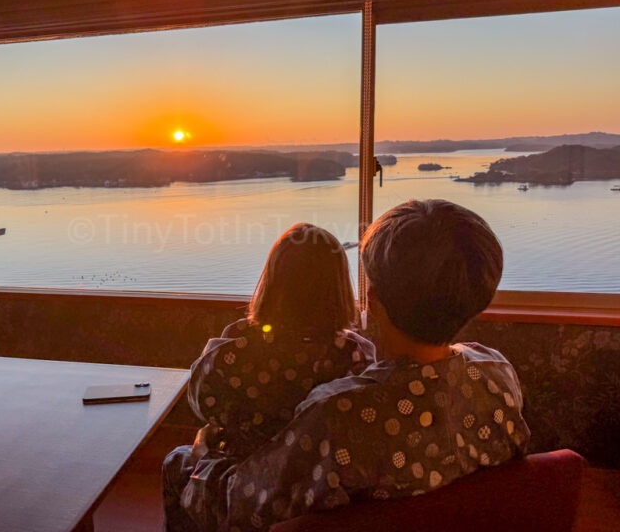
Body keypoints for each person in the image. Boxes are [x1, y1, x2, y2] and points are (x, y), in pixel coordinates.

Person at [164, 199, 530, 532]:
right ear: (479, 297)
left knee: (179, 465)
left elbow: (242, 508)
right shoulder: (497, 375)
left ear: (373, 298)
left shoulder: (336, 416)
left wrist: (203, 460)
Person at [164, 223, 376, 530]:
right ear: (339, 287)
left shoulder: (236, 346)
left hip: (240, 486)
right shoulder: (355, 354)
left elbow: (202, 404)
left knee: (175, 462)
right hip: (316, 488)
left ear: (273, 282)